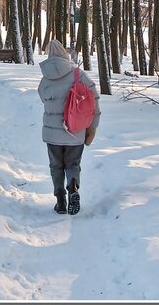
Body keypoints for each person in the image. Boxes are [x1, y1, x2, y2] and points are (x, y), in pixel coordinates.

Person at [37, 40, 101, 215]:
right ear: (64, 54)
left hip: (52, 133)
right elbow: (94, 99)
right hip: (75, 130)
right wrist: (93, 126)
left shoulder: (45, 78)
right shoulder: (78, 75)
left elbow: (42, 97)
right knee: (73, 163)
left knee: (55, 166)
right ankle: (73, 186)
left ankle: (60, 200)